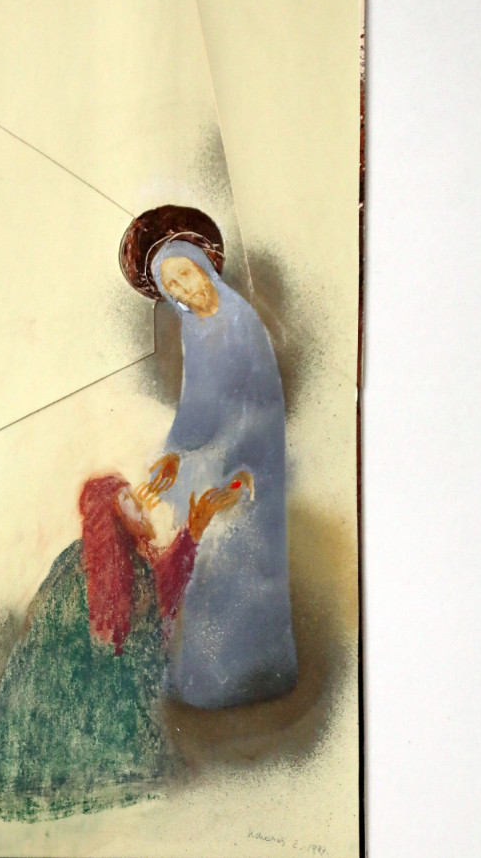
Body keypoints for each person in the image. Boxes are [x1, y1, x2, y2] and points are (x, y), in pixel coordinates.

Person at [0, 472, 245, 822]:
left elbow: (150, 606)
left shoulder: (124, 565)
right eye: (129, 502)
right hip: (61, 710)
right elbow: (86, 648)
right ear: (112, 516)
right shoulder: (86, 567)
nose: (142, 507)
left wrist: (192, 533)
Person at [119, 206, 298, 709]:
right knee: (202, 561)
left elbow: (260, 407)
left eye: (184, 274)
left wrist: (234, 471)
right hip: (215, 465)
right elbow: (196, 408)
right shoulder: (194, 330)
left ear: (202, 264)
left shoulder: (241, 322)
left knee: (239, 560)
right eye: (172, 287)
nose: (183, 290)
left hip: (250, 467)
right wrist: (174, 456)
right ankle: (207, 679)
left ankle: (259, 673)